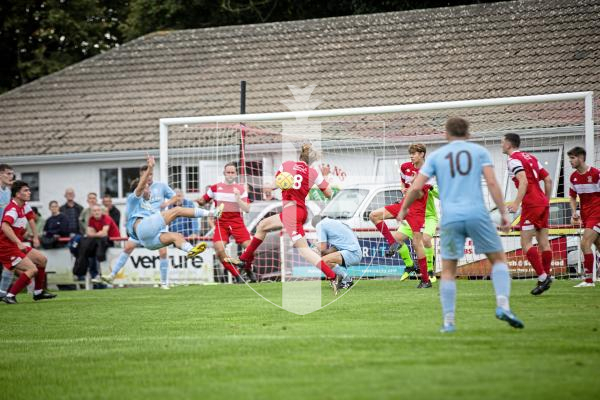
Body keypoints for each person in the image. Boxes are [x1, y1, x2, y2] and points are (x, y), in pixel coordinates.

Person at [398, 117, 523, 332]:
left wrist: (403, 209)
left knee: (448, 271)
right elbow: (492, 183)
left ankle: (449, 322)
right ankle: (503, 305)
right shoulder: (479, 152)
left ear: (446, 135)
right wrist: (504, 213)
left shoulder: (437, 156)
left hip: (451, 217)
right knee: (499, 260)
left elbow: (416, 187)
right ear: (468, 134)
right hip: (477, 214)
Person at [229, 144, 342, 293]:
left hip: (291, 212)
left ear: (299, 156)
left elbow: (274, 186)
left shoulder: (286, 165)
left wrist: (265, 186)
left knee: (304, 251)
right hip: (299, 211)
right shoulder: (314, 172)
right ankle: (244, 259)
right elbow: (328, 193)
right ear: (311, 161)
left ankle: (333, 276)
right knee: (263, 226)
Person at [102, 155, 222, 285]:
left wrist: (167, 203)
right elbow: (141, 185)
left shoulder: (154, 195)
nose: (149, 189)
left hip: (149, 240)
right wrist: (151, 166)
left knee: (177, 236)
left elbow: (175, 198)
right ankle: (213, 213)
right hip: (143, 228)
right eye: (146, 188)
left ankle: (190, 251)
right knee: (177, 211)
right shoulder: (133, 198)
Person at [104, 161, 179, 288]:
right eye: (145, 175)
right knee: (128, 248)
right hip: (140, 224)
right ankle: (112, 275)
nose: (148, 177)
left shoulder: (161, 186)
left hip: (157, 223)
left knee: (163, 252)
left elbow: (176, 197)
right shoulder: (138, 190)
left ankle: (164, 283)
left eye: (150, 174)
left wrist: (166, 204)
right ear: (141, 176)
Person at [369, 144, 432, 289]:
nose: (411, 156)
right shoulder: (405, 167)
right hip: (403, 204)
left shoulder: (428, 172)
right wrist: (403, 188)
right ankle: (393, 243)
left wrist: (415, 184)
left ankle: (426, 280)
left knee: (417, 243)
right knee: (374, 215)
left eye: (414, 153)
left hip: (416, 210)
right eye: (410, 153)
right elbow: (403, 184)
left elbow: (421, 194)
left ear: (422, 154)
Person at [502, 133, 553, 295]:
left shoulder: (513, 160)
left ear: (509, 144)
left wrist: (516, 202)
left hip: (531, 204)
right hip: (543, 202)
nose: (501, 144)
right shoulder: (530, 157)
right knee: (544, 242)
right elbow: (549, 179)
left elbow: (523, 181)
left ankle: (543, 276)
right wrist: (546, 199)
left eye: (502, 142)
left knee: (526, 243)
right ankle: (544, 278)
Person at [0, 180, 56, 304]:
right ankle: (9, 296)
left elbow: (31, 219)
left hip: (14, 245)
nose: (29, 192)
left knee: (42, 260)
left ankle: (38, 292)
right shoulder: (12, 209)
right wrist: (19, 242)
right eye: (26, 190)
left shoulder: (24, 205)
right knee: (32, 269)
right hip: (6, 247)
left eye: (29, 190)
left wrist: (35, 237)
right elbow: (4, 226)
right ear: (17, 194)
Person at [196, 163, 254, 282]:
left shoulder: (241, 189)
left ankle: (248, 269)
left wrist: (238, 199)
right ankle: (237, 275)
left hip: (237, 223)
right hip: (221, 223)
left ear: (236, 174)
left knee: (251, 249)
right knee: (219, 249)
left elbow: (247, 209)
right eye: (228, 172)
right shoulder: (215, 188)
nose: (230, 175)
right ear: (224, 173)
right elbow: (203, 201)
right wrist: (200, 201)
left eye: (233, 172)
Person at [567, 146, 600, 287]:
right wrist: (574, 212)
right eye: (569, 158)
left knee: (584, 243)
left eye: (572, 158)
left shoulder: (596, 174)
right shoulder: (573, 177)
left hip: (597, 213)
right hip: (586, 215)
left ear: (580, 158)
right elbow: (572, 197)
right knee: (598, 245)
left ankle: (588, 280)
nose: (570, 161)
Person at [395, 184, 439, 283]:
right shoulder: (408, 183)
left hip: (429, 217)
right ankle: (410, 265)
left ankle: (430, 270)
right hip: (414, 216)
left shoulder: (427, 183)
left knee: (426, 239)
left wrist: (431, 188)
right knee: (397, 238)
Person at [311, 215, 361, 291]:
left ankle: (346, 280)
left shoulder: (320, 225)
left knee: (322, 261)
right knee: (324, 259)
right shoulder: (334, 222)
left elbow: (322, 247)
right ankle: (340, 279)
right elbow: (329, 250)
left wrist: (314, 243)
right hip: (354, 252)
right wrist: (321, 253)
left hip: (352, 252)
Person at [73, 204, 120, 282]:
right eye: (94, 211)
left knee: (97, 252)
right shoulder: (91, 219)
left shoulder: (106, 218)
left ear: (101, 211)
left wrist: (94, 234)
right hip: (100, 241)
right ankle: (92, 274)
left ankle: (101, 275)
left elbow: (104, 233)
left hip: (114, 242)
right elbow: (88, 233)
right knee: (88, 249)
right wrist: (97, 234)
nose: (96, 212)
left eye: (98, 210)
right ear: (92, 212)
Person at [0, 164, 15, 297]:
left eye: (12, 174)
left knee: (10, 263)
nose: (11, 176)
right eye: (8, 173)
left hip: (5, 232)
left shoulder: (8, 191)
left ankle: (2, 293)